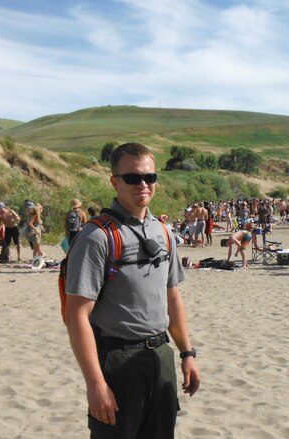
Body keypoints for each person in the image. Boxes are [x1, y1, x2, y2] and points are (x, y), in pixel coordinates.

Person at [64, 142, 199, 438]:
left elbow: (172, 296)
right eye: (132, 178)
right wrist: (95, 384)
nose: (143, 184)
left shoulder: (163, 232)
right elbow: (77, 316)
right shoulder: (96, 237)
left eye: (149, 177)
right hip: (117, 360)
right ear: (115, 181)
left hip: (160, 356)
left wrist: (187, 353)